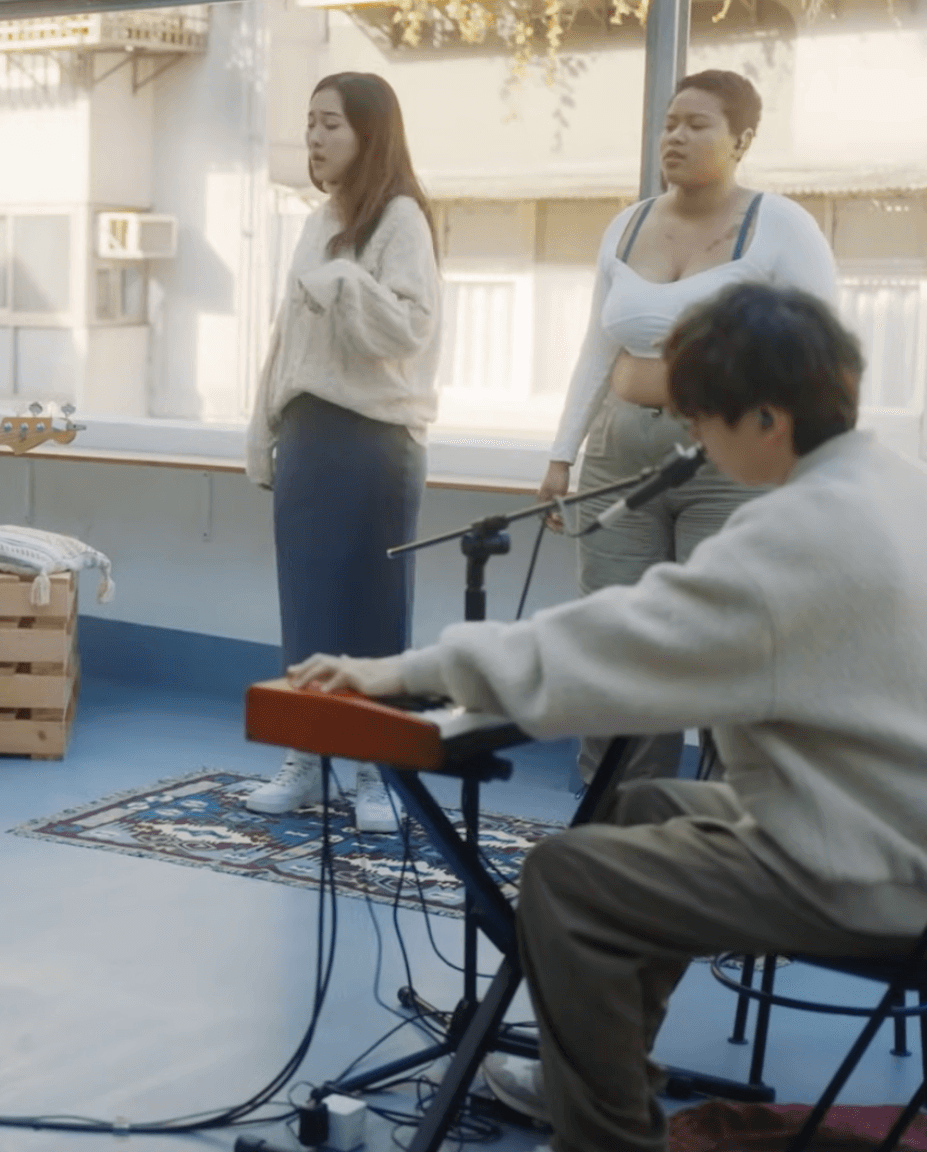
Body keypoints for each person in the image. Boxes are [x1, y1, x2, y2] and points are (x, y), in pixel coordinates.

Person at [289, 283, 925, 1152]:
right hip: (883, 819)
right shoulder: (900, 485)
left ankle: (605, 1138)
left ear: (767, 418)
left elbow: (613, 641)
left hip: (879, 875)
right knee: (646, 807)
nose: (694, 443)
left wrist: (403, 668)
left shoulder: (798, 536)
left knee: (566, 880)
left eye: (702, 421)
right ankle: (594, 1075)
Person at [536, 70, 838, 785]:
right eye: (670, 122)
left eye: (697, 125)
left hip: (728, 463)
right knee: (616, 637)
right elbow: (597, 348)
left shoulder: (782, 225)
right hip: (619, 454)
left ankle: (726, 817)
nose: (674, 136)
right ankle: (615, 808)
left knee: (723, 643)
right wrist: (561, 454)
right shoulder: (626, 224)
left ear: (742, 140)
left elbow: (822, 353)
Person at [244, 72, 443, 834]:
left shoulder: (401, 218)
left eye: (331, 123)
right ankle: (306, 756)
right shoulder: (319, 218)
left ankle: (373, 771)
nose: (315, 136)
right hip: (309, 434)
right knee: (307, 606)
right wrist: (264, 426)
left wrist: (343, 282)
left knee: (374, 609)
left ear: (370, 132)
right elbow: (287, 336)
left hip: (376, 438)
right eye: (310, 121)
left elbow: (409, 329)